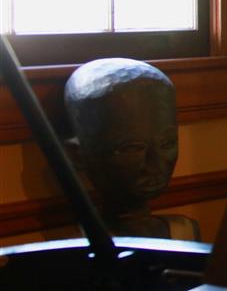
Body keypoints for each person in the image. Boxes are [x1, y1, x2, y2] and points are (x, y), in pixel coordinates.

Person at [63, 58, 199, 240]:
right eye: (132, 148)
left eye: (167, 144)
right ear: (77, 154)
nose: (155, 164)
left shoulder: (183, 231)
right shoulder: (79, 242)